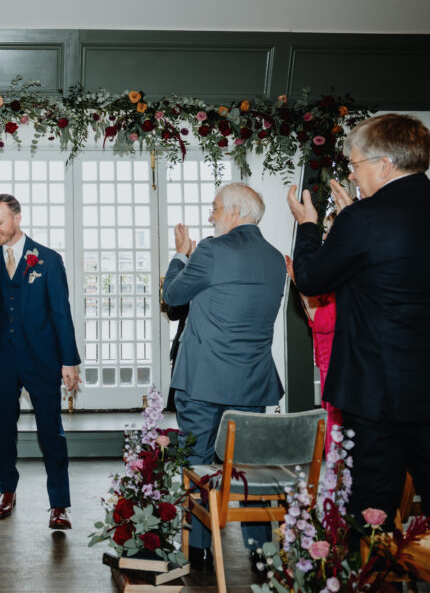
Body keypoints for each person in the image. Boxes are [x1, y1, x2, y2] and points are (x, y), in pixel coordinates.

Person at [290, 114, 430, 531]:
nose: (354, 175)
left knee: (373, 510)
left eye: (355, 165)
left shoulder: (362, 221)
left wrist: (308, 227)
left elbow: (310, 278)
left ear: (383, 165)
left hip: (378, 395)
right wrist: (353, 223)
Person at [163, 182, 285, 572]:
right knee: (248, 466)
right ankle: (259, 551)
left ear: (236, 212)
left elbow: (175, 295)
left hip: (202, 381)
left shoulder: (212, 251)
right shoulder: (274, 259)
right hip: (252, 382)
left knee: (198, 460)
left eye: (215, 208)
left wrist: (182, 256)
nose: (211, 215)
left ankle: (199, 549)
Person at [0, 193, 81, 530]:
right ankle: (6, 491)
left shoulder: (48, 260)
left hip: (42, 357)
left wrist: (69, 361)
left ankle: (59, 504)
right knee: (3, 430)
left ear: (17, 218)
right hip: (3, 359)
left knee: (51, 432)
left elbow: (61, 312)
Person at [285, 211, 341, 452]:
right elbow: (313, 316)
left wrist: (300, 282)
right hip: (330, 361)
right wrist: (299, 283)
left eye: (330, 230)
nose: (326, 236)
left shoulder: (344, 275)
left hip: (340, 363)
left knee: (338, 433)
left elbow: (322, 320)